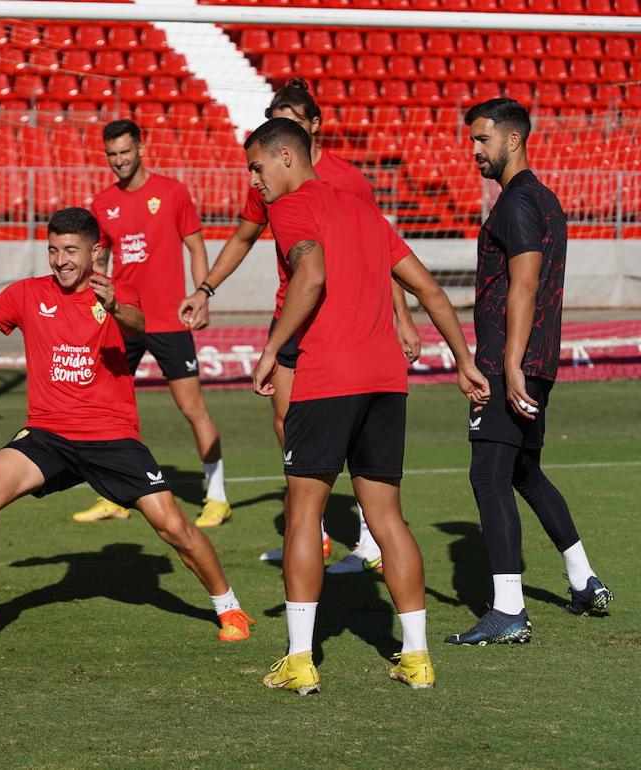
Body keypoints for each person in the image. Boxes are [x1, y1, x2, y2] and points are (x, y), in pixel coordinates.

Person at [0, 208, 254, 648]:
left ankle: (229, 606)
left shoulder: (116, 292)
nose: (60, 261)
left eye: (71, 251)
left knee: (174, 527)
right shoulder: (27, 293)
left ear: (95, 251)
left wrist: (113, 304)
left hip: (110, 437)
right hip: (48, 435)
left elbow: (139, 324)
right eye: (54, 250)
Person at [244, 119, 489, 694]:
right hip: (385, 382)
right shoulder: (365, 212)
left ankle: (301, 659)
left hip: (327, 378)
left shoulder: (291, 208)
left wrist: (273, 350)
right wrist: (464, 360)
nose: (253, 180)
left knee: (303, 513)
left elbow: (311, 274)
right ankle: (417, 656)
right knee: (387, 518)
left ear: (286, 156)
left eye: (257, 167)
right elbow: (429, 290)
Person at [179, 80, 422, 571]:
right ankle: (312, 537)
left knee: (354, 437)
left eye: (290, 116)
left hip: (343, 322)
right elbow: (244, 238)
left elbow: (382, 254)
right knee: (288, 425)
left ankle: (369, 537)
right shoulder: (267, 178)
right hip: (291, 315)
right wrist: (205, 288)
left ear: (313, 126)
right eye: (275, 114)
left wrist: (401, 316)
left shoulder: (347, 181)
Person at [445, 99, 612, 646]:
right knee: (524, 473)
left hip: (507, 361)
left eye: (482, 140)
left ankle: (509, 609)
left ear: (512, 140)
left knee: (488, 477)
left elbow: (524, 284)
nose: (475, 151)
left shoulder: (517, 203)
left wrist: (508, 365)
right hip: (535, 359)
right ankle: (583, 579)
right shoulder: (543, 198)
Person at [72, 119, 232, 528]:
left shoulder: (172, 192)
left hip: (170, 319)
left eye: (125, 151)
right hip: (125, 319)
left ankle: (217, 497)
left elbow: (195, 244)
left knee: (191, 407)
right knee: (106, 407)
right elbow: (100, 259)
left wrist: (202, 294)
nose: (119, 160)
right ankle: (114, 496)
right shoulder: (102, 203)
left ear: (140, 148)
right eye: (112, 154)